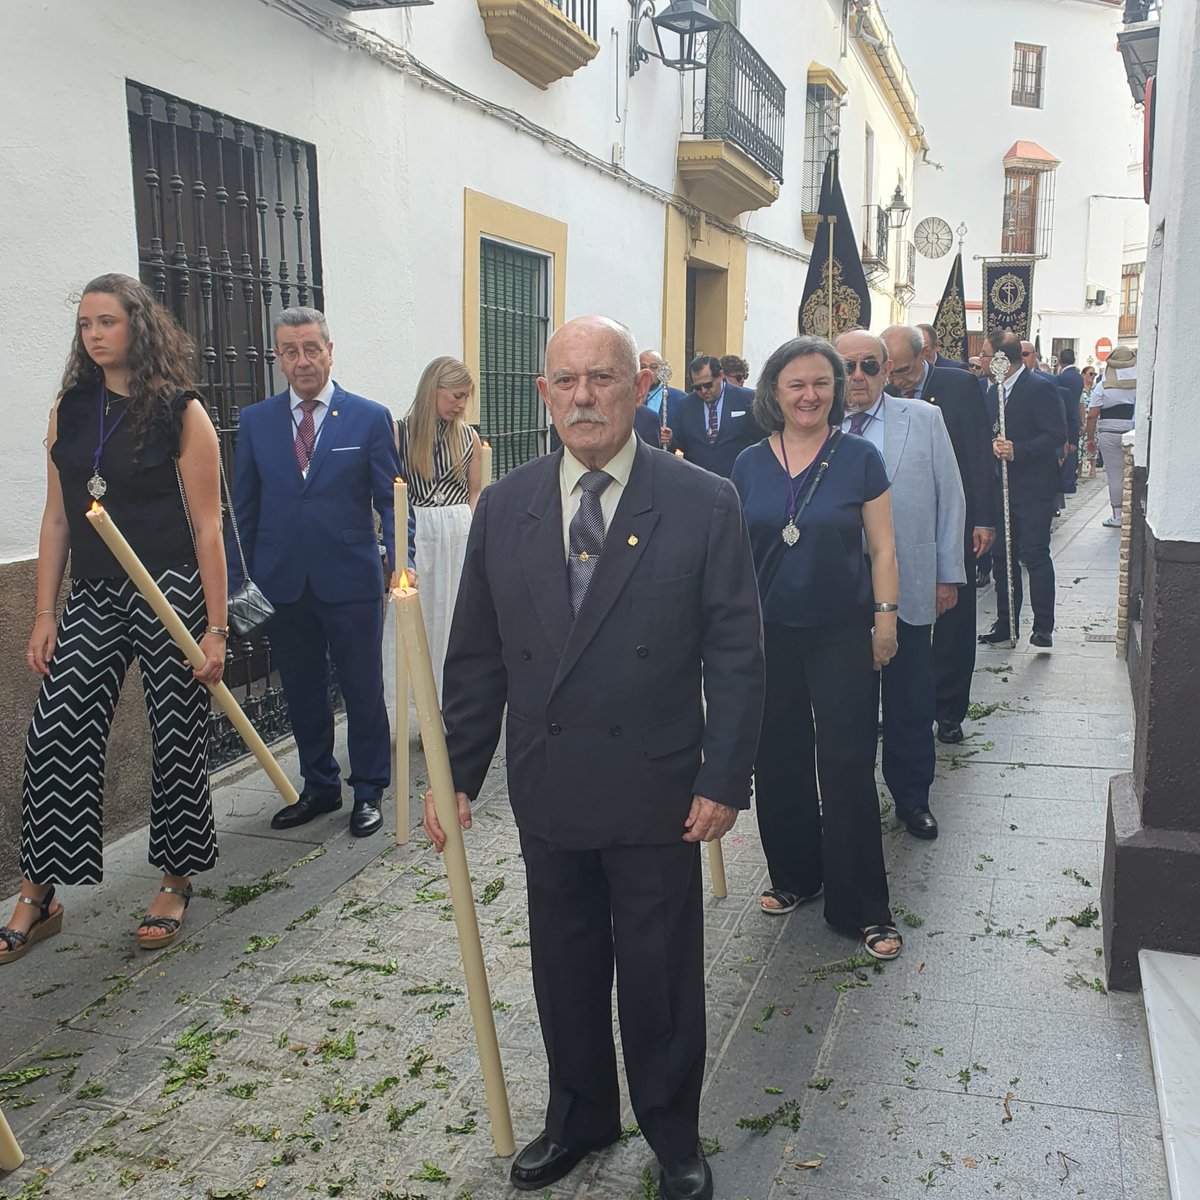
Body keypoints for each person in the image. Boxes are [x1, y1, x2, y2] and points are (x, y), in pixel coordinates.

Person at [426, 316, 764, 1200]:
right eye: (566, 381)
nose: (584, 396)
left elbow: (736, 650)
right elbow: (476, 657)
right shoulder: (506, 506)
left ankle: (672, 1132)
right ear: (543, 395)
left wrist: (725, 775)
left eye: (603, 378)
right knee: (564, 965)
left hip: (658, 787)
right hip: (551, 784)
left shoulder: (700, 501)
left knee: (658, 973)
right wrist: (455, 775)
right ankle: (577, 1117)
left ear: (636, 389)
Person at [3, 273, 226, 964]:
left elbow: (209, 526)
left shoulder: (180, 411)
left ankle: (174, 880)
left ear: (139, 325)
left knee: (177, 733)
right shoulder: (70, 409)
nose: (95, 335)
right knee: (56, 731)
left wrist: (215, 627)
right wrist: (43, 611)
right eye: (85, 325)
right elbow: (57, 516)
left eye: (108, 321)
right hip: (97, 592)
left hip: (168, 588)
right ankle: (40, 895)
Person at [730, 335, 903, 961]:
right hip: (766, 635)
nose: (810, 395)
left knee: (848, 764)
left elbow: (883, 548)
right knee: (776, 759)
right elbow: (733, 557)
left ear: (837, 389)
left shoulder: (859, 458)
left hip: (840, 633)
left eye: (821, 383)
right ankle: (796, 874)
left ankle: (862, 906)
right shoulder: (748, 463)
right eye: (796, 384)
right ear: (774, 392)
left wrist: (885, 619)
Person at [229, 307, 403, 838]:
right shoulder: (256, 421)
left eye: (311, 349)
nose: (302, 360)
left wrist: (403, 563)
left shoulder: (369, 417)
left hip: (349, 578)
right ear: (278, 357)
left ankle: (369, 789)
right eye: (290, 351)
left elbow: (392, 501)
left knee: (362, 688)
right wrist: (242, 581)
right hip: (283, 582)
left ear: (330, 351)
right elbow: (243, 509)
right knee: (302, 688)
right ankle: (319, 786)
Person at [836, 330, 965, 841]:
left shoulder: (924, 420)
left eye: (870, 365)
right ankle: (850, 799)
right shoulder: (818, 426)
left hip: (910, 583)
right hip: (843, 593)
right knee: (849, 702)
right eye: (847, 366)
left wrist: (947, 573)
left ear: (888, 370)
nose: (858, 377)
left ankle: (912, 798)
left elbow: (949, 495)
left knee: (911, 697)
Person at [881, 326, 993, 747]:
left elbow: (979, 452)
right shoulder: (881, 391)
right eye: (891, 372)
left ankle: (948, 710)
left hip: (951, 517)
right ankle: (899, 703)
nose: (898, 381)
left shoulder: (958, 385)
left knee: (951, 614)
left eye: (905, 371)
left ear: (924, 355)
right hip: (896, 521)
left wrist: (984, 518)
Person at [400, 357, 482, 701]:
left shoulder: (468, 437)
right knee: (420, 617)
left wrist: (473, 530)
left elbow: (475, 491)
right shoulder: (399, 433)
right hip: (418, 529)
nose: (461, 404)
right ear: (434, 390)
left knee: (453, 617)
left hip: (457, 529)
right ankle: (418, 705)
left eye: (465, 397)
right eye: (456, 396)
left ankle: (453, 702)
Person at [979, 329, 1067, 648]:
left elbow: (1055, 434)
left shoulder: (1040, 387)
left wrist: (1019, 449)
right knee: (1003, 557)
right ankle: (1007, 621)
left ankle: (1043, 625)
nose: (981, 360)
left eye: (986, 355)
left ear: (1003, 359)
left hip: (1033, 487)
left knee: (1034, 554)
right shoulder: (990, 392)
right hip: (1000, 487)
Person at [660, 354, 763, 477]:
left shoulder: (747, 399)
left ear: (720, 375)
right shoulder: (686, 405)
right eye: (697, 387)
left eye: (708, 385)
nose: (703, 391)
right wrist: (670, 439)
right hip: (700, 483)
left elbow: (761, 438)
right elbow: (681, 444)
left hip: (738, 480)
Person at [1086, 346, 1137, 527]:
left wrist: (1090, 438)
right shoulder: (1140, 384)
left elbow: (1092, 414)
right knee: (1133, 474)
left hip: (1109, 433)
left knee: (1115, 476)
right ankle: (1134, 513)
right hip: (1133, 432)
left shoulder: (1102, 385)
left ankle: (1117, 516)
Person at [1054, 348, 1083, 501]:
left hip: (1066, 416)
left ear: (1060, 360)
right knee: (1072, 451)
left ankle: (1066, 482)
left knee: (1066, 453)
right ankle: (1070, 480)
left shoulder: (1063, 378)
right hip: (1074, 416)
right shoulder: (1078, 376)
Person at [639, 349, 687, 425]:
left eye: (653, 367)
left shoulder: (680, 399)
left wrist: (672, 435)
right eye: (643, 367)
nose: (647, 372)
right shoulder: (629, 397)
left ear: (662, 370)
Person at [1078, 364, 1098, 479]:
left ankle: (1093, 468)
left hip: (1094, 419)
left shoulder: (1096, 389)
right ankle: (1079, 468)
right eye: (1091, 374)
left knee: (1093, 442)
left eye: (1094, 374)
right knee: (1080, 443)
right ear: (1083, 375)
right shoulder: (1080, 389)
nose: (1093, 376)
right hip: (1083, 419)